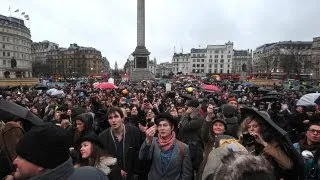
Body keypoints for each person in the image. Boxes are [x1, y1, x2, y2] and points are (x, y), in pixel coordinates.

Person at [139, 113, 193, 180]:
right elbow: (143, 157)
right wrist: (148, 140)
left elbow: (186, 174)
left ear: (172, 127)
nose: (162, 128)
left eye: (165, 125)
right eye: (159, 126)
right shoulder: (153, 142)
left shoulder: (183, 147)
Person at [240, 112, 294, 179]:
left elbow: (288, 165)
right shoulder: (245, 142)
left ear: (262, 128)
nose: (251, 129)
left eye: (255, 126)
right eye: (248, 127)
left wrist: (264, 143)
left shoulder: (272, 143)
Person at [99, 107, 142, 180]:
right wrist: (116, 170)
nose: (113, 120)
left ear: (122, 118)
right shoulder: (103, 137)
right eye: (110, 118)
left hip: (132, 175)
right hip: (113, 176)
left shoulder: (134, 132)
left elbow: (139, 154)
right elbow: (102, 158)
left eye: (116, 116)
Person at [197, 103, 227, 180]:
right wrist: (209, 116)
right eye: (215, 125)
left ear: (225, 129)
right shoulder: (209, 139)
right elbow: (205, 131)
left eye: (220, 125)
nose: (218, 127)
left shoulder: (229, 141)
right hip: (206, 170)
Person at [177, 99, 204, 174]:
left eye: (188, 108)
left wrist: (185, 114)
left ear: (192, 108)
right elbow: (181, 125)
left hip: (194, 148)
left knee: (190, 170)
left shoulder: (198, 119)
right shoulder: (190, 117)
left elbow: (185, 126)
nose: (186, 109)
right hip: (188, 145)